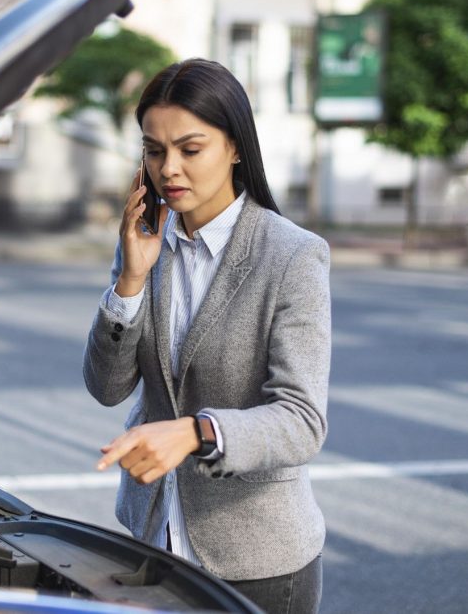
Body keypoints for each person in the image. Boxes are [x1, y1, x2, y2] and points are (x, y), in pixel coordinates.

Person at [82, 58, 331, 614]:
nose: (168, 168)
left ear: (235, 147)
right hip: (152, 541)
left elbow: (302, 420)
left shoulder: (292, 255)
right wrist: (130, 277)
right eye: (153, 150)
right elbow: (107, 387)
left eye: (190, 150)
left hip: (256, 559)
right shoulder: (148, 241)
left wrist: (196, 433)